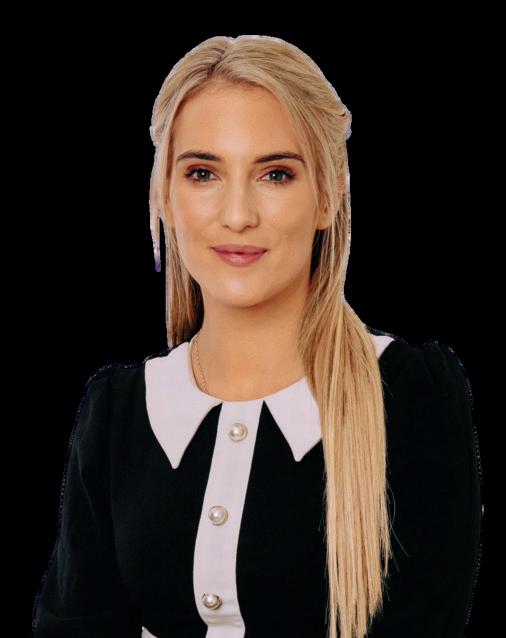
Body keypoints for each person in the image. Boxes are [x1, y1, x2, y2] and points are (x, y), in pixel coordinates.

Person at [32, 35, 483, 638]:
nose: (238, 214)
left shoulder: (411, 397)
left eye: (275, 174)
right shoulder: (117, 412)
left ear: (328, 196)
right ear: (164, 194)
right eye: (202, 173)